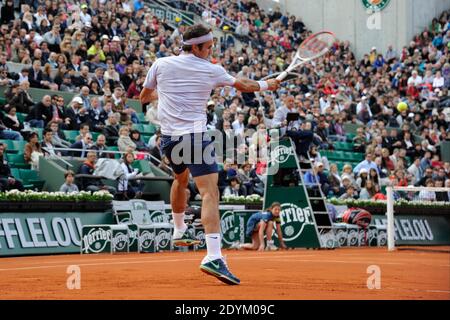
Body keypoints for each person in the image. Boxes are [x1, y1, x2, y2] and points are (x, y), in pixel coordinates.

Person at [139, 24, 279, 285]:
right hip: (194, 138)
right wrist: (267, 84)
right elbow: (245, 86)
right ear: (196, 47)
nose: (211, 52)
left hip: (168, 140)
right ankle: (213, 256)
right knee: (209, 193)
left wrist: (167, 92)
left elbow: (144, 97)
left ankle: (179, 229)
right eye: (208, 48)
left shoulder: (160, 64)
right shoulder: (210, 69)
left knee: (180, 181)